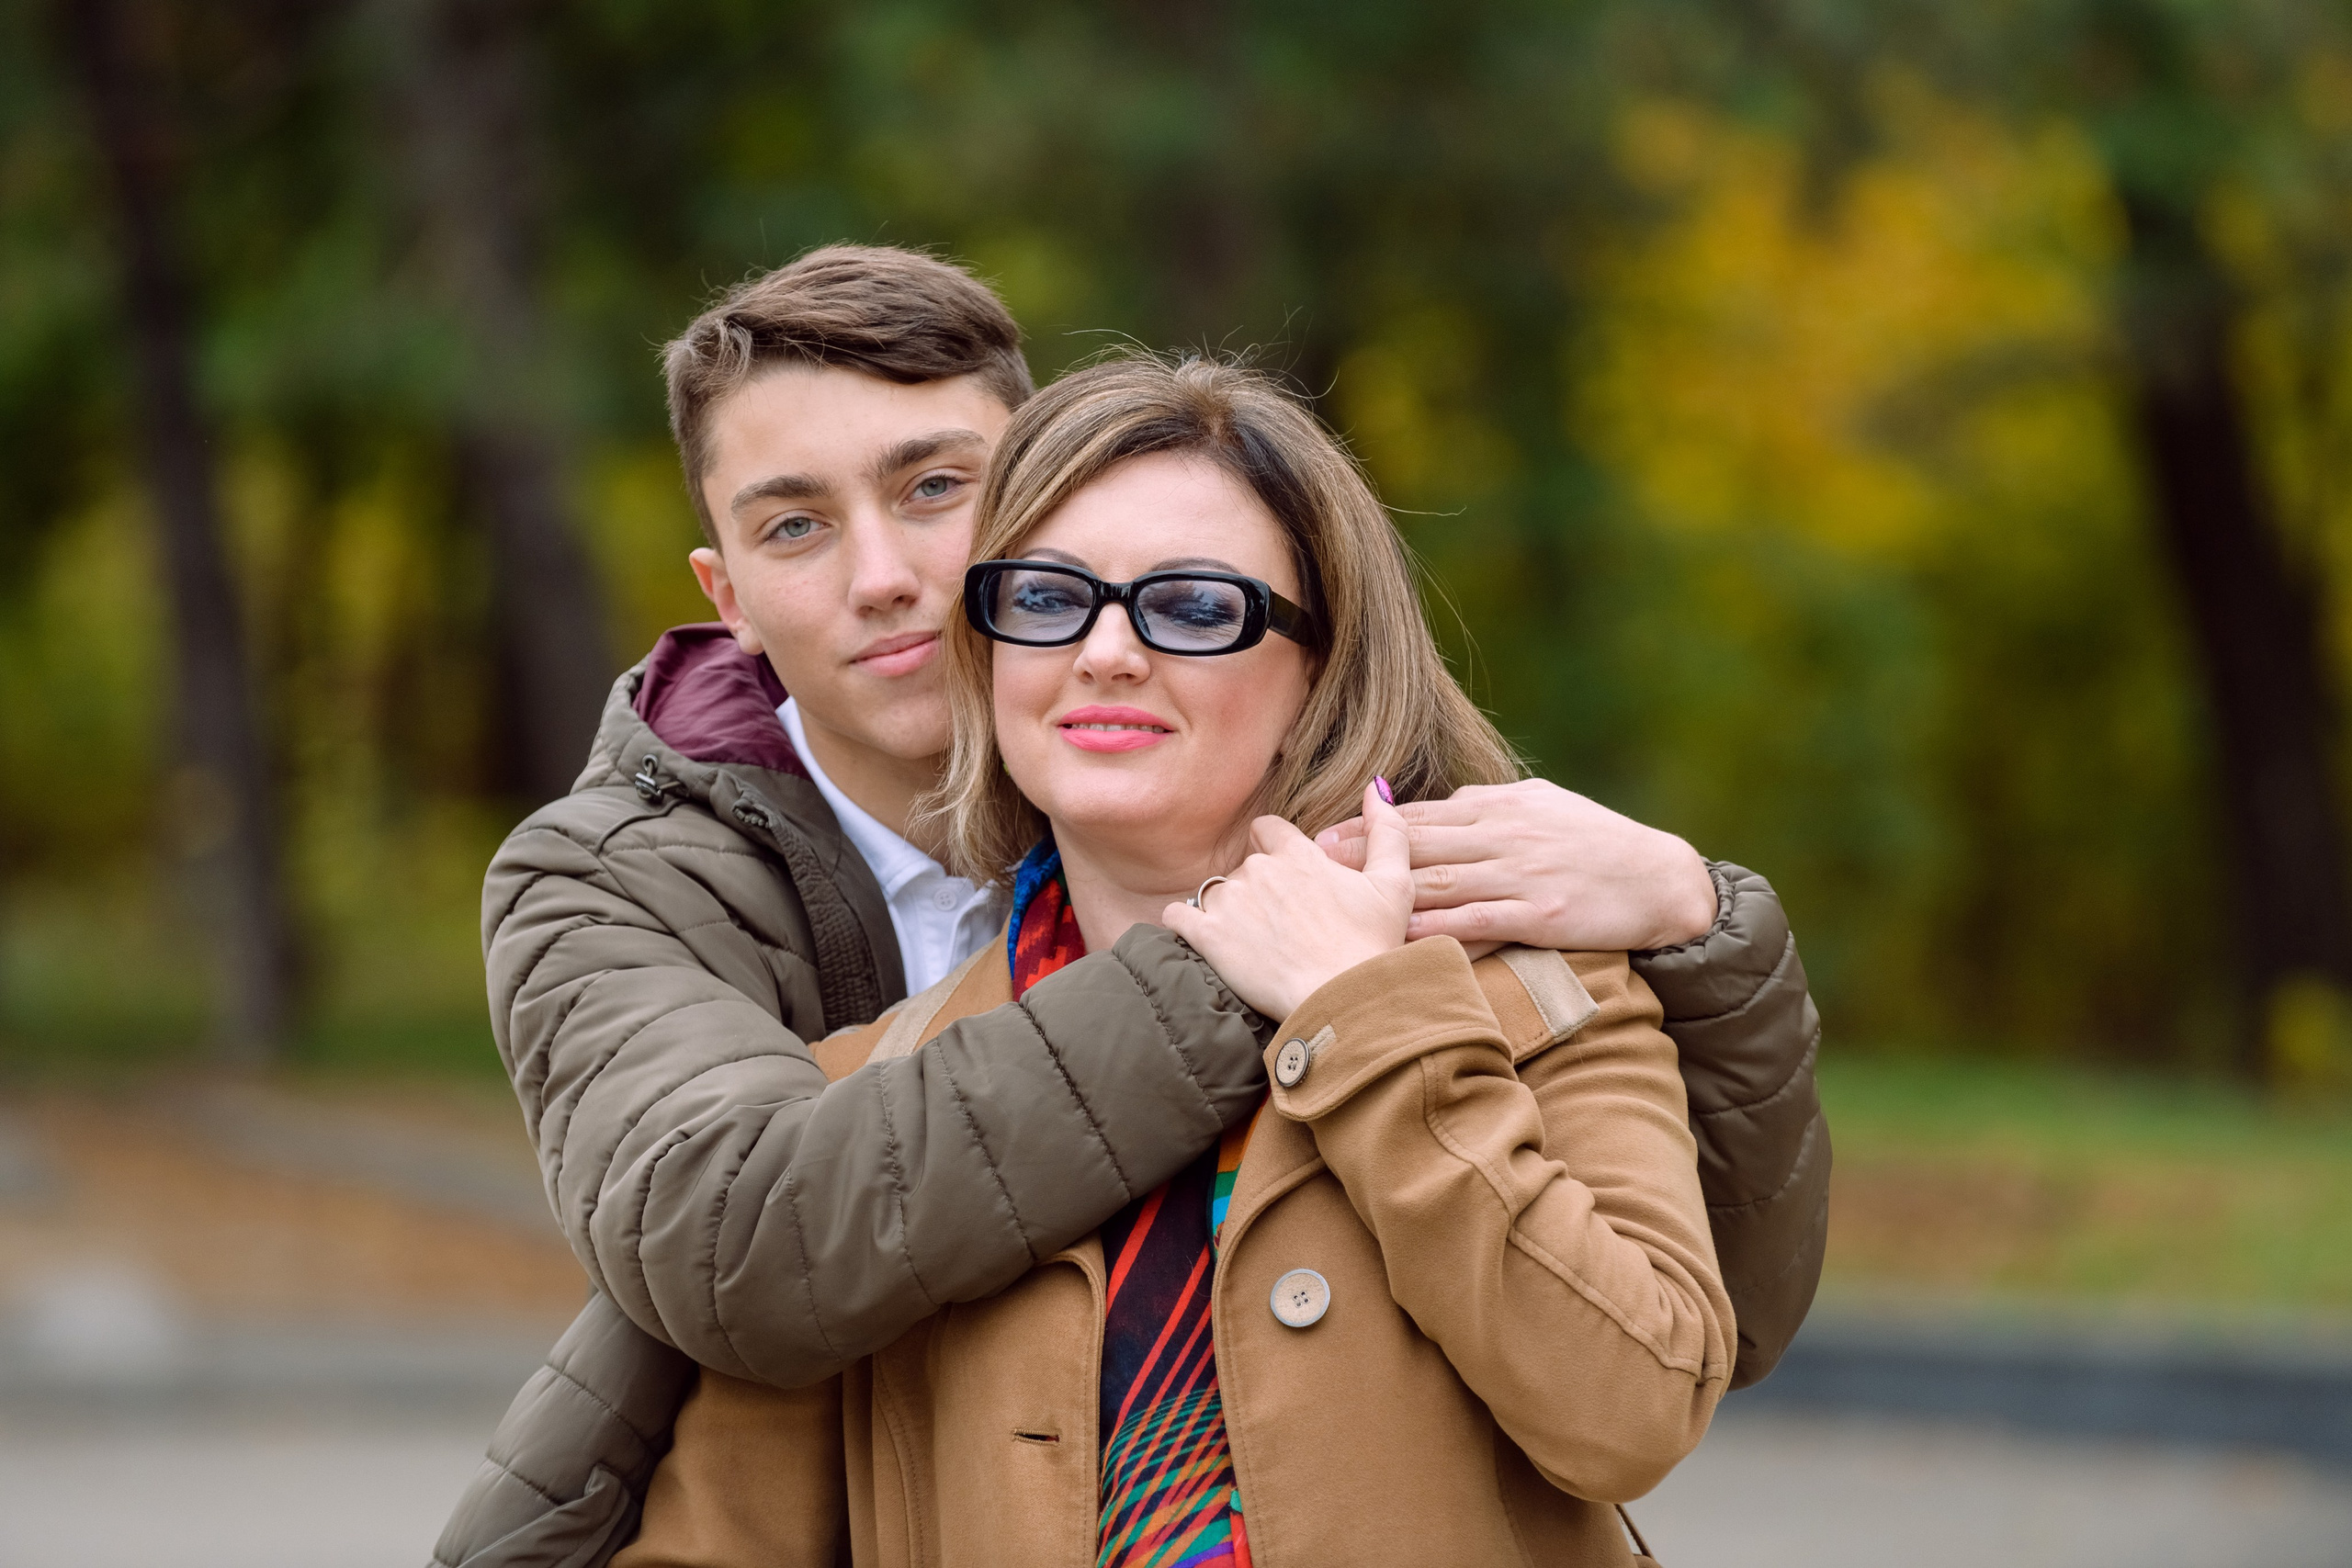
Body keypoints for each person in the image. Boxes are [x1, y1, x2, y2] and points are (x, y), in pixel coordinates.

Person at [432, 248, 1826, 1567]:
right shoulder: (625, 890)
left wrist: (1698, 918)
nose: (886, 577)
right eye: (795, 525)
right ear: (726, 592)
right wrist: (1257, 952)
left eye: (935, 490)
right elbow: (756, 1254)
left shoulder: (1509, 950)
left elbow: (1680, 1354)